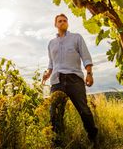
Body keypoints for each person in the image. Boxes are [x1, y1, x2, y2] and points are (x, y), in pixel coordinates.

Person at [42, 13, 98, 146]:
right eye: (60, 21)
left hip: (74, 79)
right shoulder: (51, 43)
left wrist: (89, 73)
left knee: (84, 110)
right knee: (55, 114)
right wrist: (48, 73)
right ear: (55, 24)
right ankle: (57, 143)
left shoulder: (76, 38)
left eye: (65, 20)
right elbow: (51, 63)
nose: (63, 22)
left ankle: (94, 139)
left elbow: (86, 56)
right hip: (56, 81)